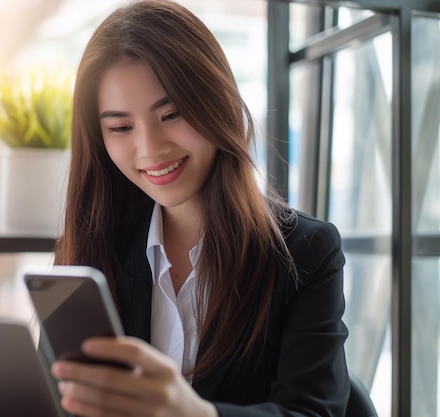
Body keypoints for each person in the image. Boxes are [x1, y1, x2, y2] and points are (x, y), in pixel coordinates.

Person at [52, 1, 350, 416]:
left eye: (171, 114)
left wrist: (193, 413)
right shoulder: (93, 251)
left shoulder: (305, 253)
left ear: (217, 101)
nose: (151, 149)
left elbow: (313, 411)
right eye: (120, 127)